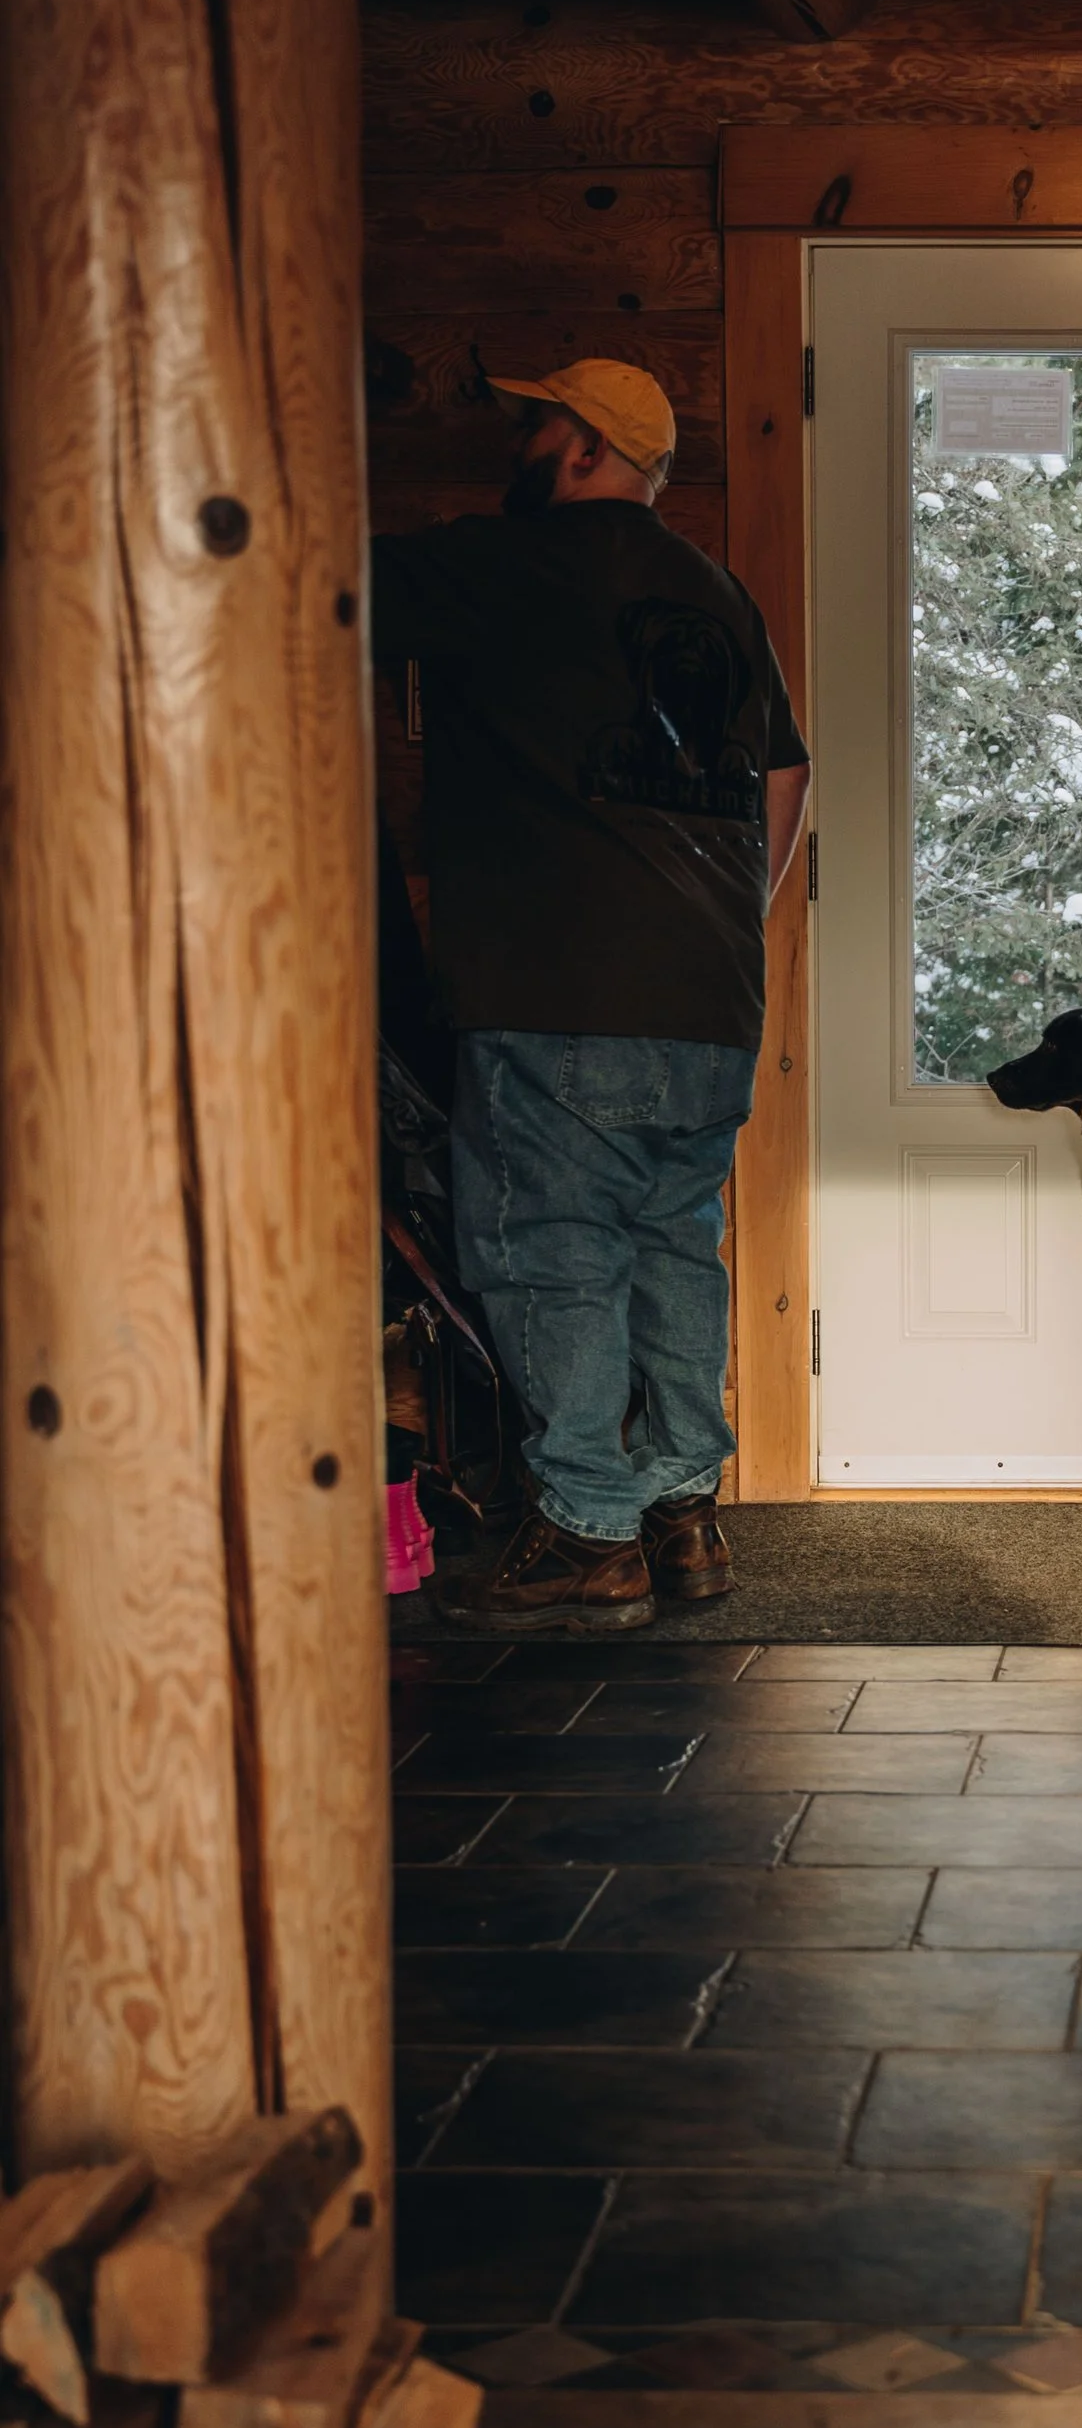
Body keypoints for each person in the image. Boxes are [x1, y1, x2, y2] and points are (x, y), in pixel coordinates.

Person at [370, 360, 809, 1631]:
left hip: (557, 985)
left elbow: (301, 579)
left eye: (534, 421)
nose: (522, 438)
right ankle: (682, 1513)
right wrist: (735, 915)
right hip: (711, 999)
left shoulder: (508, 567)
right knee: (674, 1246)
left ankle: (583, 1531)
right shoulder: (718, 595)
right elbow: (786, 774)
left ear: (577, 446)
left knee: (549, 1253)